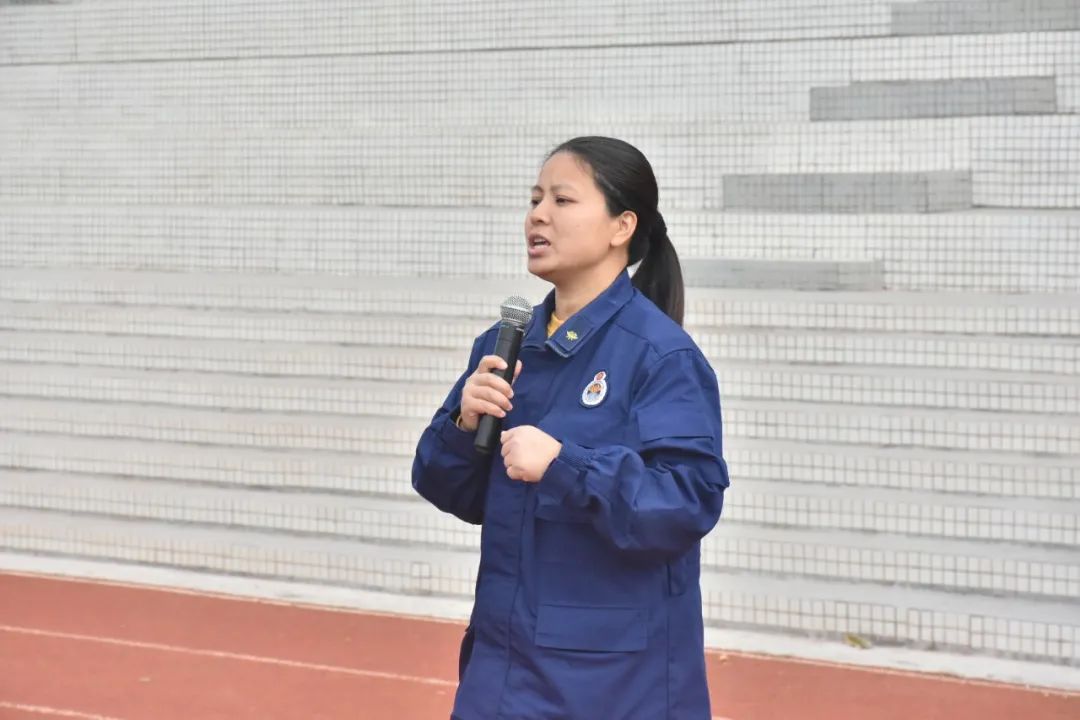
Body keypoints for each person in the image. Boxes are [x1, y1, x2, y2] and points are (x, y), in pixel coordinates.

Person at [412, 136, 729, 720]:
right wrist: (463, 423)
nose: (538, 215)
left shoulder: (661, 356)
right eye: (535, 199)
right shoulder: (504, 344)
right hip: (502, 668)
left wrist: (566, 466)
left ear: (621, 227)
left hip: (611, 684)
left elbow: (688, 502)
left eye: (562, 200)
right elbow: (448, 488)